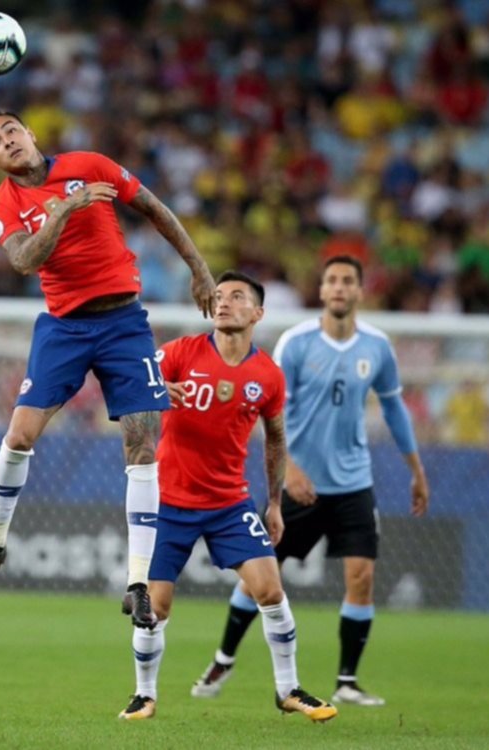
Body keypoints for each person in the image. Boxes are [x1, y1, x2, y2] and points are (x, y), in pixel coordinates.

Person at [0, 110, 215, 629]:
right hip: (64, 327)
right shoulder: (4, 203)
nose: (7, 141)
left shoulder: (89, 164)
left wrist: (199, 268)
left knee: (143, 448)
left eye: (11, 130)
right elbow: (24, 261)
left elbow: (154, 208)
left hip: (124, 322)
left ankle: (139, 582)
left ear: (30, 133)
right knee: (19, 435)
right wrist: (62, 210)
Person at [190, 255, 429, 707]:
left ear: (359, 291)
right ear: (321, 291)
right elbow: (267, 405)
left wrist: (416, 469)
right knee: (260, 577)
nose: (339, 288)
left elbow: (394, 409)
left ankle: (347, 680)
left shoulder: (377, 347)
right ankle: (224, 657)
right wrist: (289, 469)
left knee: (361, 576)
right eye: (332, 281)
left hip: (353, 482)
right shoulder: (296, 343)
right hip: (300, 482)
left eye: (347, 282)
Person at [118, 270, 336, 723]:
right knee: (155, 606)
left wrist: (274, 503)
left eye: (237, 296)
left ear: (257, 313)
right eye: (218, 296)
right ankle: (144, 695)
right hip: (168, 503)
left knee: (270, 590)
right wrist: (156, 391)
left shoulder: (268, 376)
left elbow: (275, 440)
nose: (223, 302)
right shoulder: (181, 352)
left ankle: (288, 689)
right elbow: (129, 388)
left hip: (228, 504)